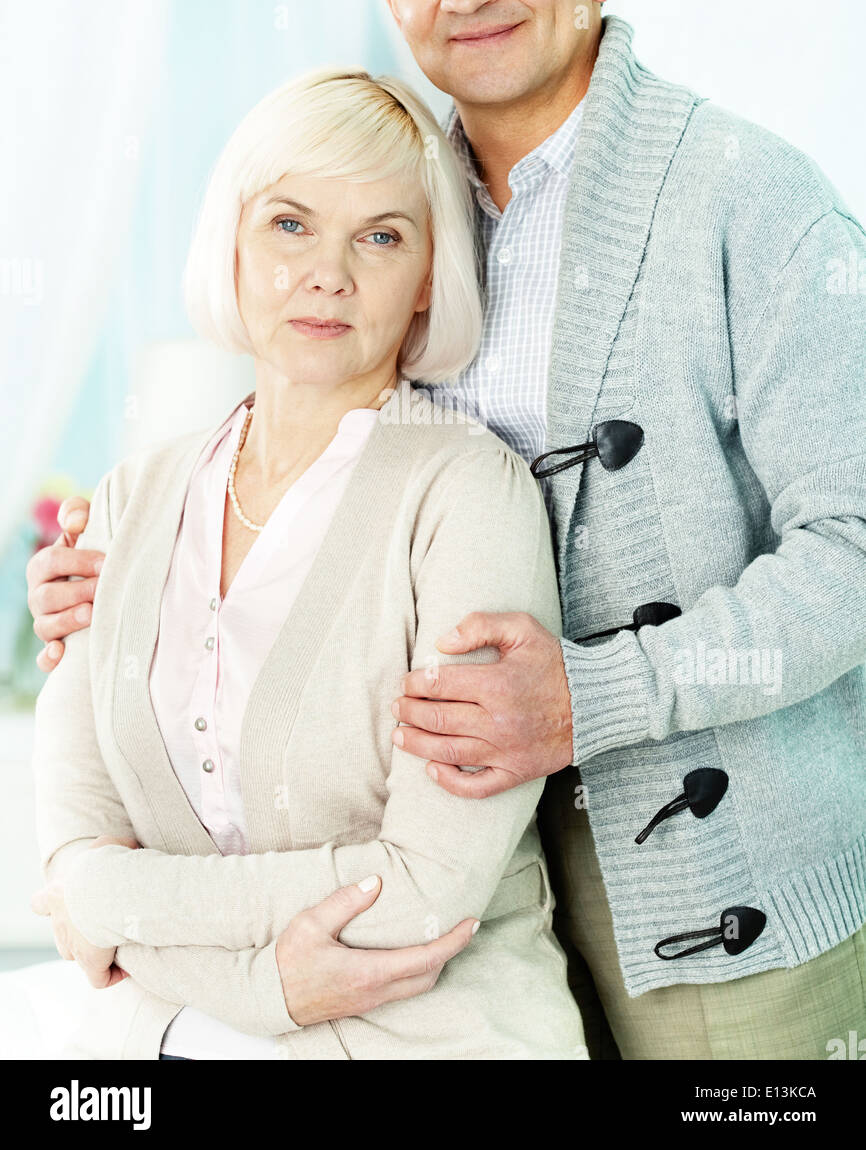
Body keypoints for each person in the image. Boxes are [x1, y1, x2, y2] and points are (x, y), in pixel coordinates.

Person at [29, 0, 866, 1060]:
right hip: (488, 915)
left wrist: (589, 696)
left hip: (720, 896)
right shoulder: (395, 200)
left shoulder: (747, 198)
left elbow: (855, 551)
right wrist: (130, 580)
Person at [24, 65, 588, 1061]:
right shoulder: (125, 502)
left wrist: (116, 906)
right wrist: (265, 983)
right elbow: (73, 837)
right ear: (232, 243)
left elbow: (422, 893)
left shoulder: (466, 496)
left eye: (380, 235)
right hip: (179, 1039)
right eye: (289, 223)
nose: (328, 271)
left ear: (425, 278)